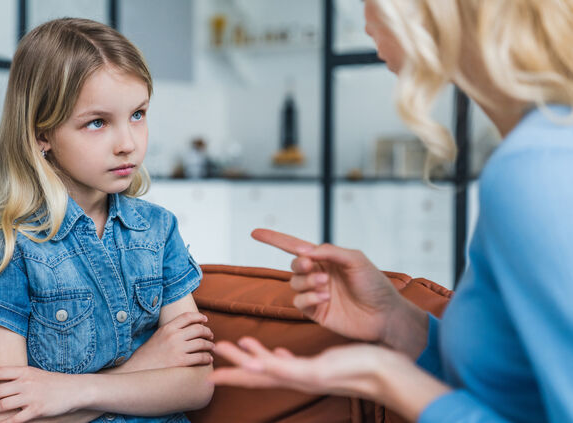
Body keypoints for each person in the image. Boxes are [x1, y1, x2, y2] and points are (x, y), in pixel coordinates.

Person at [209, 0, 573, 422]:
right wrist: (396, 320)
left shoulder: (536, 170)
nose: (362, 19)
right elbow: (518, 393)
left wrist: (388, 379)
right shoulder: (544, 151)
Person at [0, 18, 214, 423]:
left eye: (138, 114)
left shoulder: (159, 231)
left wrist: (70, 391)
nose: (128, 143)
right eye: (97, 122)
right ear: (42, 134)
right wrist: (148, 365)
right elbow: (8, 417)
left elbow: (197, 386)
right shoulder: (4, 248)